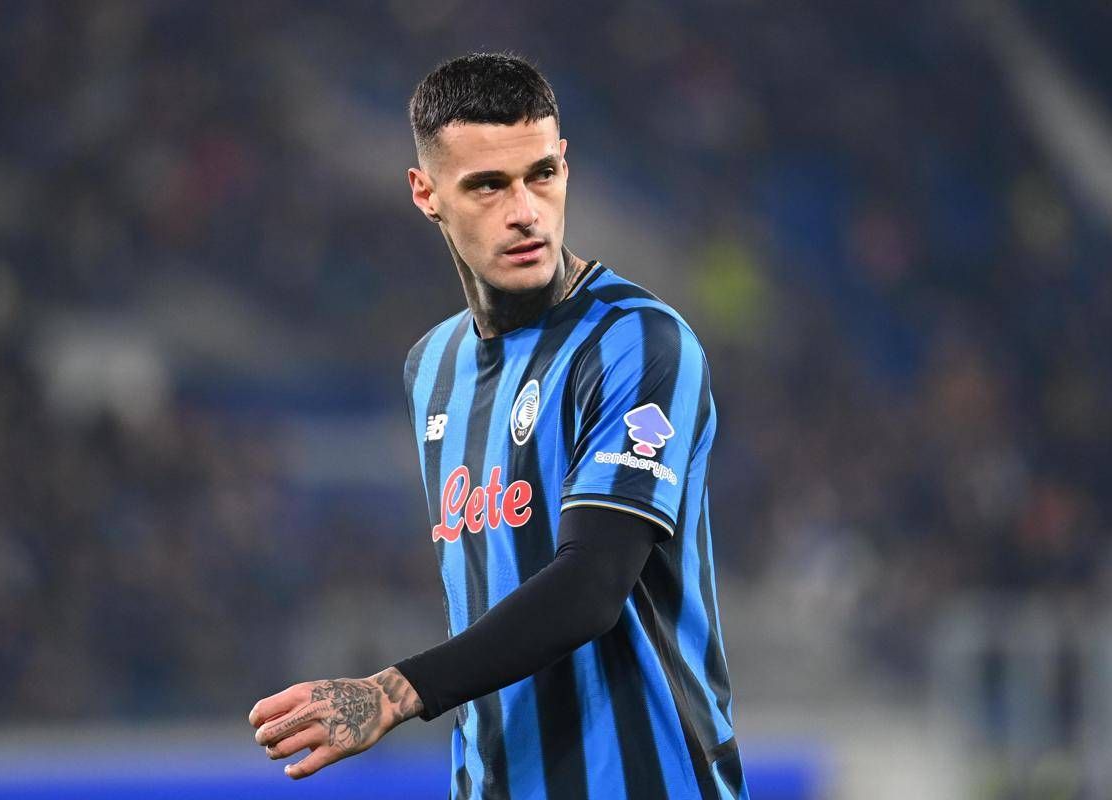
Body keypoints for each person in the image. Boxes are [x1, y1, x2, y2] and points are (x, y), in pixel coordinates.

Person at [249, 52, 747, 800]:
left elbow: (592, 584)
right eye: (487, 185)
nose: (525, 211)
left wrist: (394, 691)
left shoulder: (638, 342)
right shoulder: (431, 367)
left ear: (565, 164)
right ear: (426, 193)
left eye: (540, 175)